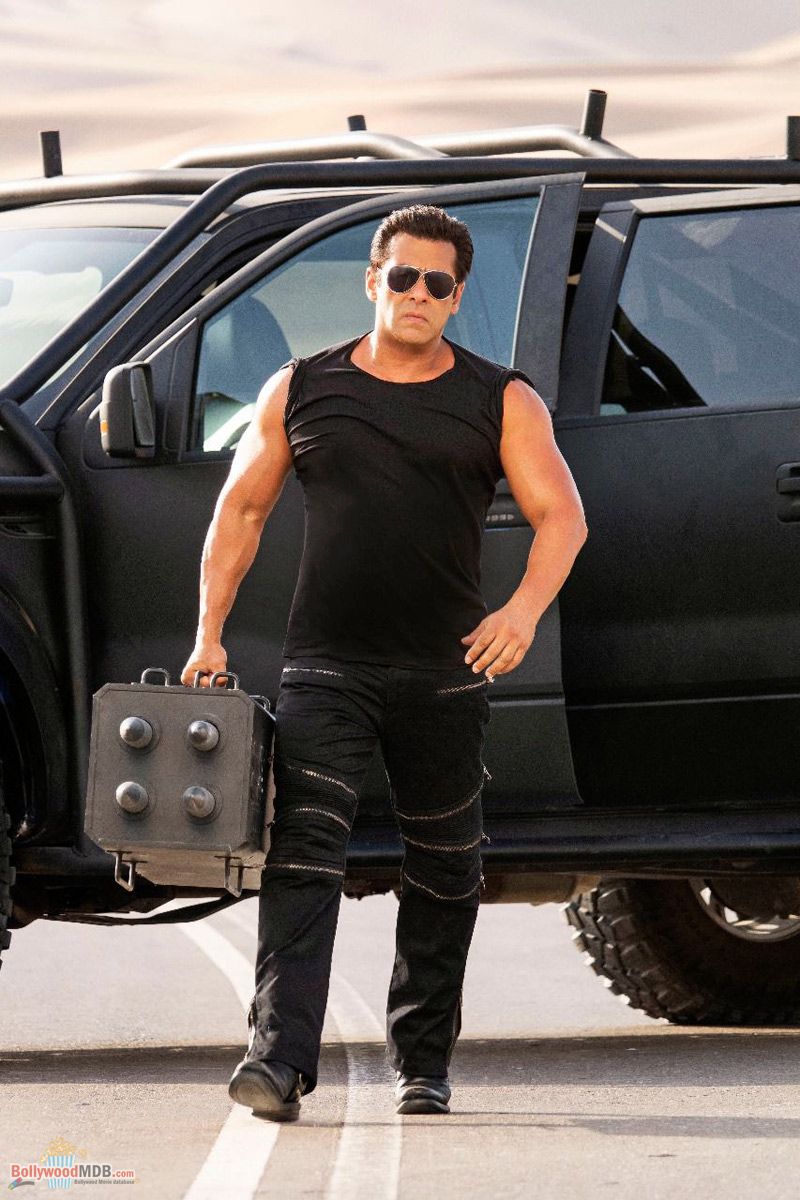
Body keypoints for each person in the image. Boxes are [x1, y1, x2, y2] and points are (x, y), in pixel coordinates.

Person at [181, 203, 588, 1121]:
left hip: (445, 671)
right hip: (327, 664)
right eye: (402, 277)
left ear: (457, 297)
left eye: (438, 283)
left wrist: (522, 610)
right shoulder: (302, 387)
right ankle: (278, 1061)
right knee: (304, 854)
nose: (418, 294)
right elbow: (240, 510)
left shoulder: (501, 398)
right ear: (373, 280)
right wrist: (209, 633)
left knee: (445, 866)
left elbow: (562, 516)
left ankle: (423, 1062)